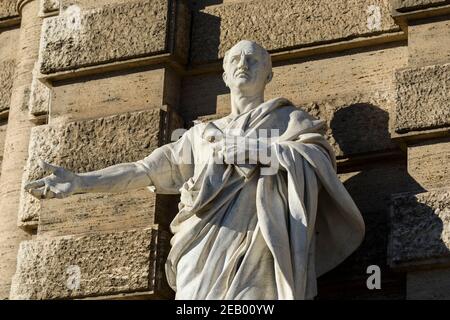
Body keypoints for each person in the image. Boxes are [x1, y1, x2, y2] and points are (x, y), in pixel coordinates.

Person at [25, 40, 365, 300]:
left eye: (253, 59)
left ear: (269, 73)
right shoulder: (200, 135)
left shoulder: (288, 121)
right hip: (199, 253)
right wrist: (81, 182)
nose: (242, 64)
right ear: (224, 75)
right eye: (234, 59)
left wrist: (257, 151)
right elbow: (144, 170)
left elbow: (316, 164)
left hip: (257, 253)